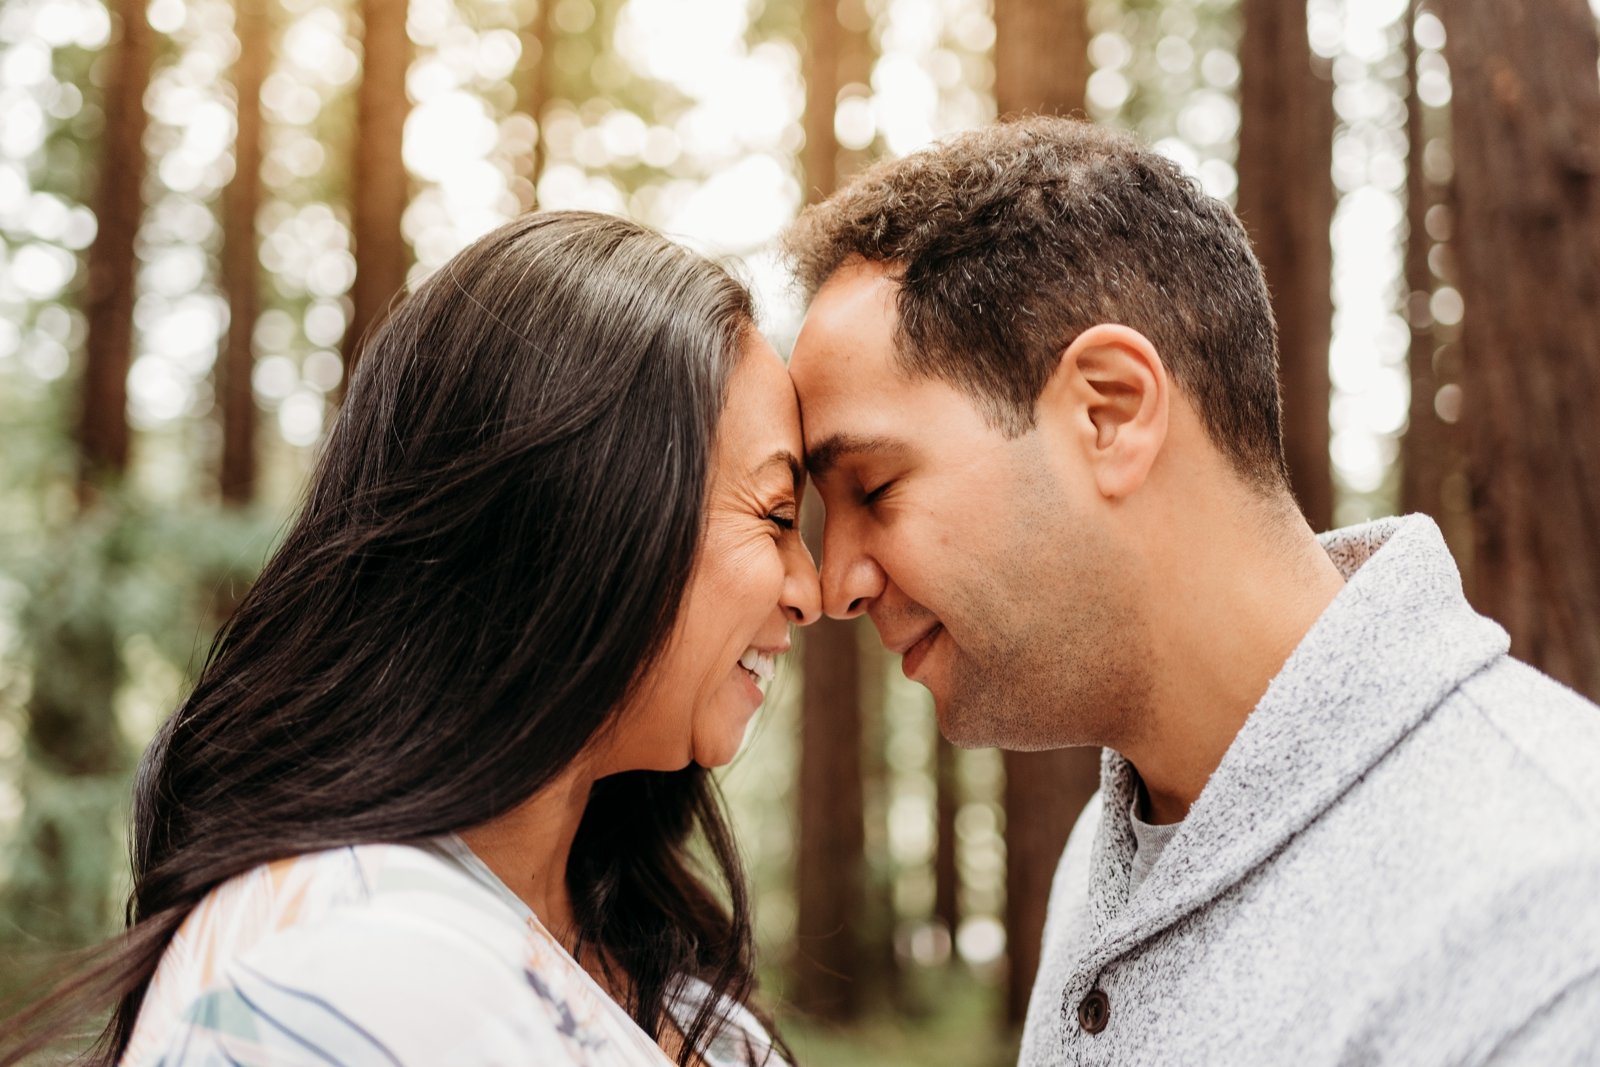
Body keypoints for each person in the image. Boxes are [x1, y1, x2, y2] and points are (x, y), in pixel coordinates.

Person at [781, 116, 1600, 1064]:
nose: (836, 580)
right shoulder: (1104, 853)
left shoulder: (1552, 907)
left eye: (873, 487)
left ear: (1109, 412)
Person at [0, 211, 820, 1067]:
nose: (812, 590)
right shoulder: (319, 970)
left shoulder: (650, 957)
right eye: (775, 514)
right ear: (579, 511)